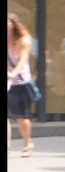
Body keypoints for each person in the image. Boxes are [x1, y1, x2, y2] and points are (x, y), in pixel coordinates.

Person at [8, 13, 36, 157]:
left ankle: (27, 142)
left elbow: (23, 60)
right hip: (7, 84)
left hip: (21, 83)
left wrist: (13, 74)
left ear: (13, 25)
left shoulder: (23, 40)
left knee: (21, 118)